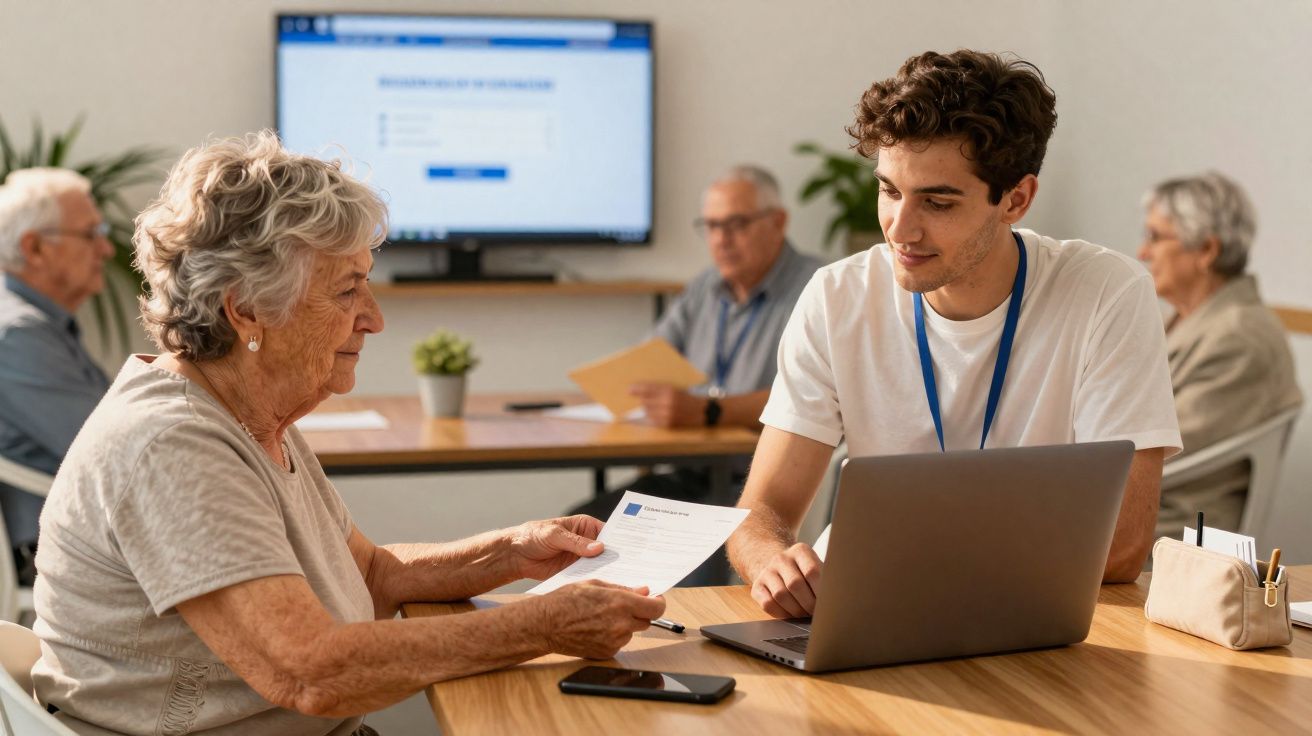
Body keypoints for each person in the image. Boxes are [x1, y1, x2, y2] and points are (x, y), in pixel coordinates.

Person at [32, 131, 664, 736]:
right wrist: (542, 627)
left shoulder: (248, 413)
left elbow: (368, 573)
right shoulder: (173, 445)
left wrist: (510, 552)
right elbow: (309, 672)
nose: (374, 318)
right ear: (246, 308)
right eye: (346, 290)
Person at [727, 49, 1183, 620]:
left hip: (1025, 619)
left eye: (937, 202)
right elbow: (762, 509)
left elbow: (1121, 545)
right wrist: (771, 559)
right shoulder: (837, 296)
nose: (900, 228)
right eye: (890, 191)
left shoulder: (1106, 294)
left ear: (1016, 199)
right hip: (871, 608)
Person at [570, 165, 820, 523]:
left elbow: (814, 396)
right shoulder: (706, 287)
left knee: (692, 569)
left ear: (778, 222)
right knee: (578, 528)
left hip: (759, 488)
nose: (721, 240)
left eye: (736, 225)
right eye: (712, 226)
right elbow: (648, 361)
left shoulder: (816, 289)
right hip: (690, 476)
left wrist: (711, 411)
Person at [1138, 172, 1302, 538]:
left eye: (1155, 237)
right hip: (1150, 509)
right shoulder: (1192, 319)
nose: (1142, 253)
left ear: (1207, 251)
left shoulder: (1239, 337)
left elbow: (1157, 450)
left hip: (1174, 528)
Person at [0, 168, 113, 586]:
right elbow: (111, 449)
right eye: (90, 234)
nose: (104, 248)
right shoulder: (17, 335)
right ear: (34, 248)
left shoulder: (37, 324)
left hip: (77, 531)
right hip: (56, 547)